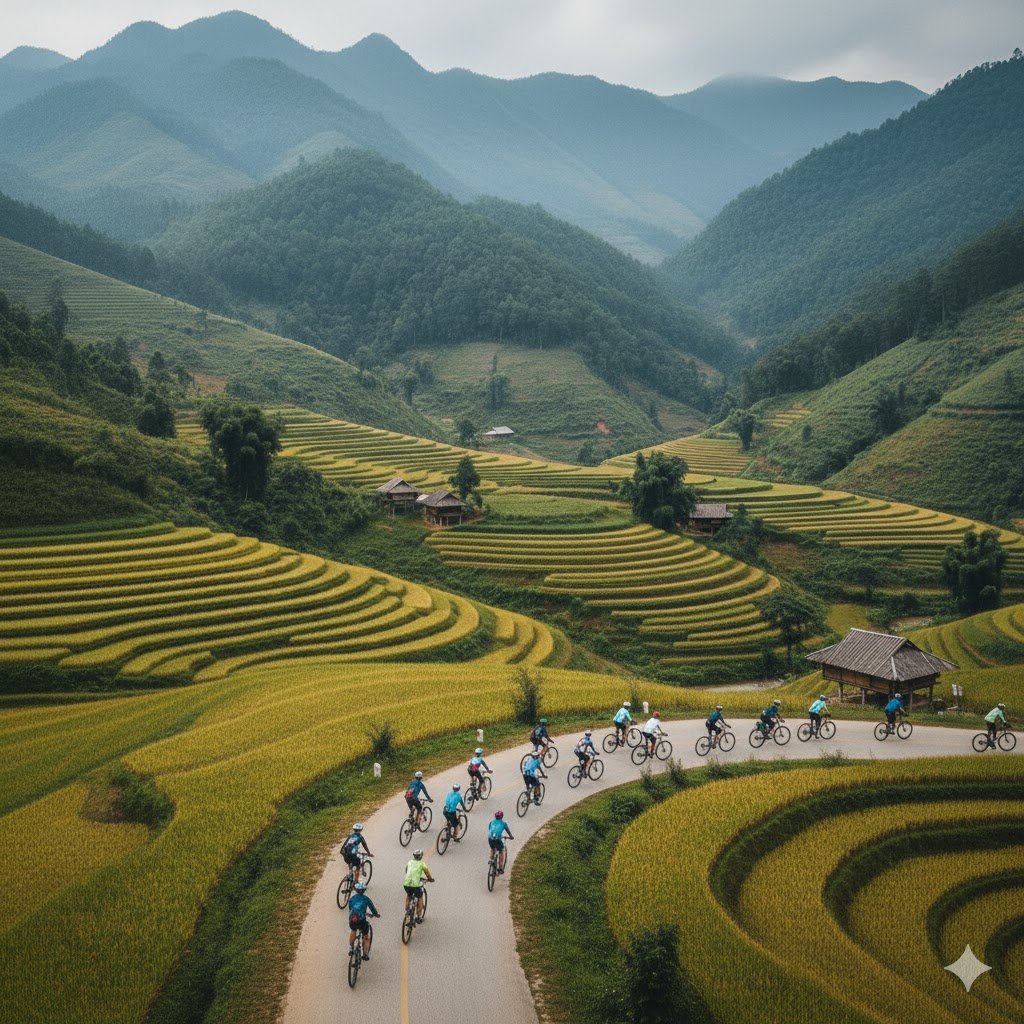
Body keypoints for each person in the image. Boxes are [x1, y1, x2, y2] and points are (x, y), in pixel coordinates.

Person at [348, 881, 380, 961]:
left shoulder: (352, 899)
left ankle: (351, 948)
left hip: (353, 918)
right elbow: (372, 909)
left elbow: (350, 909)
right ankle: (365, 954)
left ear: (356, 890)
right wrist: (376, 914)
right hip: (362, 920)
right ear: (364, 890)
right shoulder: (366, 899)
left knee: (353, 930)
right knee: (366, 937)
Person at [403, 849, 434, 923]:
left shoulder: (409, 862)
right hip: (415, 885)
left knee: (409, 896)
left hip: (406, 883)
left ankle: (407, 911)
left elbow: (407, 871)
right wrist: (430, 879)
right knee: (420, 898)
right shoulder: (422, 864)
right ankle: (418, 916)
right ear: (421, 856)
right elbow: (427, 872)